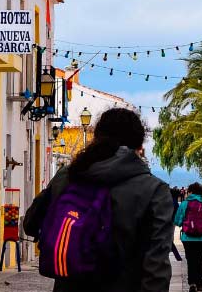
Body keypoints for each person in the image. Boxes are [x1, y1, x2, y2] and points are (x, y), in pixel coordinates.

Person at [23, 108, 175, 292]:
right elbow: (157, 266)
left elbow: (30, 223)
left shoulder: (68, 175)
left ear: (98, 136)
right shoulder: (155, 190)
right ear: (139, 145)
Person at [174, 182, 202, 292]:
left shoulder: (184, 204)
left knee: (190, 260)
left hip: (187, 237)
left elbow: (178, 220)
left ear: (190, 192)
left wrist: (183, 223)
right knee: (199, 259)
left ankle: (192, 283)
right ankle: (199, 283)